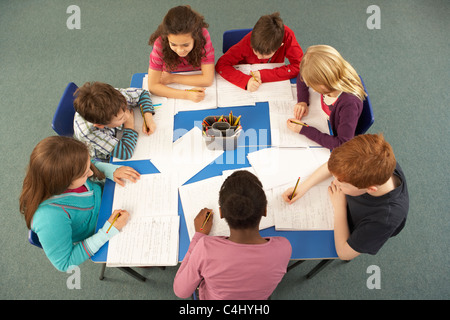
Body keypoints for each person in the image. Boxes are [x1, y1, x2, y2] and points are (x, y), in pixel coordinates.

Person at [19, 136, 140, 272]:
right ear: (63, 181)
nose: (91, 173)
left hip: (108, 200)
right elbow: (65, 263)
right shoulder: (48, 218)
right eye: (84, 174)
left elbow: (88, 164)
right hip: (101, 230)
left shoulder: (63, 170)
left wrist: (109, 170)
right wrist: (108, 231)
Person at [282, 134, 409, 261]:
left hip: (354, 224)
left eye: (341, 183)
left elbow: (344, 253)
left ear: (370, 189)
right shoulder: (375, 160)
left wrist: (339, 207)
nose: (335, 182)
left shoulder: (385, 220)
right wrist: (303, 187)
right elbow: (333, 167)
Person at [174, 170, 291, 300]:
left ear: (221, 213)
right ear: (264, 210)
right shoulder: (283, 248)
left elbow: (181, 291)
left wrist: (199, 235)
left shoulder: (205, 249)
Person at [287, 45, 366, 149]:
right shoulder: (332, 76)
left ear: (323, 85)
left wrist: (304, 129)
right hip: (323, 117)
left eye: (313, 85)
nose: (313, 89)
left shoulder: (349, 105)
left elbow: (342, 143)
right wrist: (302, 101)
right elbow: (302, 75)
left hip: (332, 132)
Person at [215, 12, 303, 91]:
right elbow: (221, 64)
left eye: (265, 55)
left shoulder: (288, 36)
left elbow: (299, 66)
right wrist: (245, 80)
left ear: (280, 46)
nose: (259, 57)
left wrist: (264, 75)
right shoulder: (249, 41)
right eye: (255, 51)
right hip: (247, 73)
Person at [147, 5, 215, 102]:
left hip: (189, 73)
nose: (180, 51)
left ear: (195, 38)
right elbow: (153, 87)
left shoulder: (203, 36)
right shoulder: (160, 43)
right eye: (173, 44)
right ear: (167, 38)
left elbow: (207, 80)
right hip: (175, 74)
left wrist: (172, 78)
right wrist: (186, 95)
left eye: (186, 45)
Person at [73, 81, 156, 161]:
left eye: (126, 108)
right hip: (101, 150)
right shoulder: (89, 132)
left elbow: (142, 93)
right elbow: (125, 152)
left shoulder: (114, 97)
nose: (128, 115)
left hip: (115, 129)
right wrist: (129, 126)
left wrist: (147, 117)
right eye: (121, 118)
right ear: (100, 125)